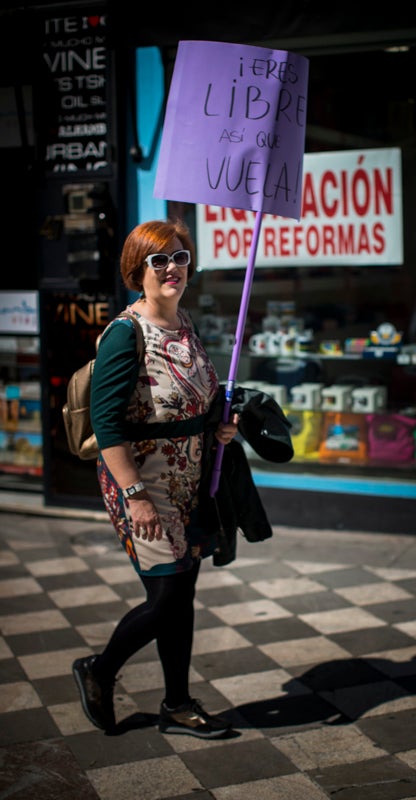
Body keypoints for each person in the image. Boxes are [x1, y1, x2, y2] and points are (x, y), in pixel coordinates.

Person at [72, 219, 239, 738]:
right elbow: (106, 421)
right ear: (136, 270)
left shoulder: (184, 322)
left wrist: (220, 424)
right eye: (158, 260)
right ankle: (98, 671)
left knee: (182, 595)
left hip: (191, 480)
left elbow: (193, 396)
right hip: (143, 482)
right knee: (166, 597)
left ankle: (178, 704)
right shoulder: (126, 333)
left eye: (180, 257)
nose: (171, 268)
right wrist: (135, 496)